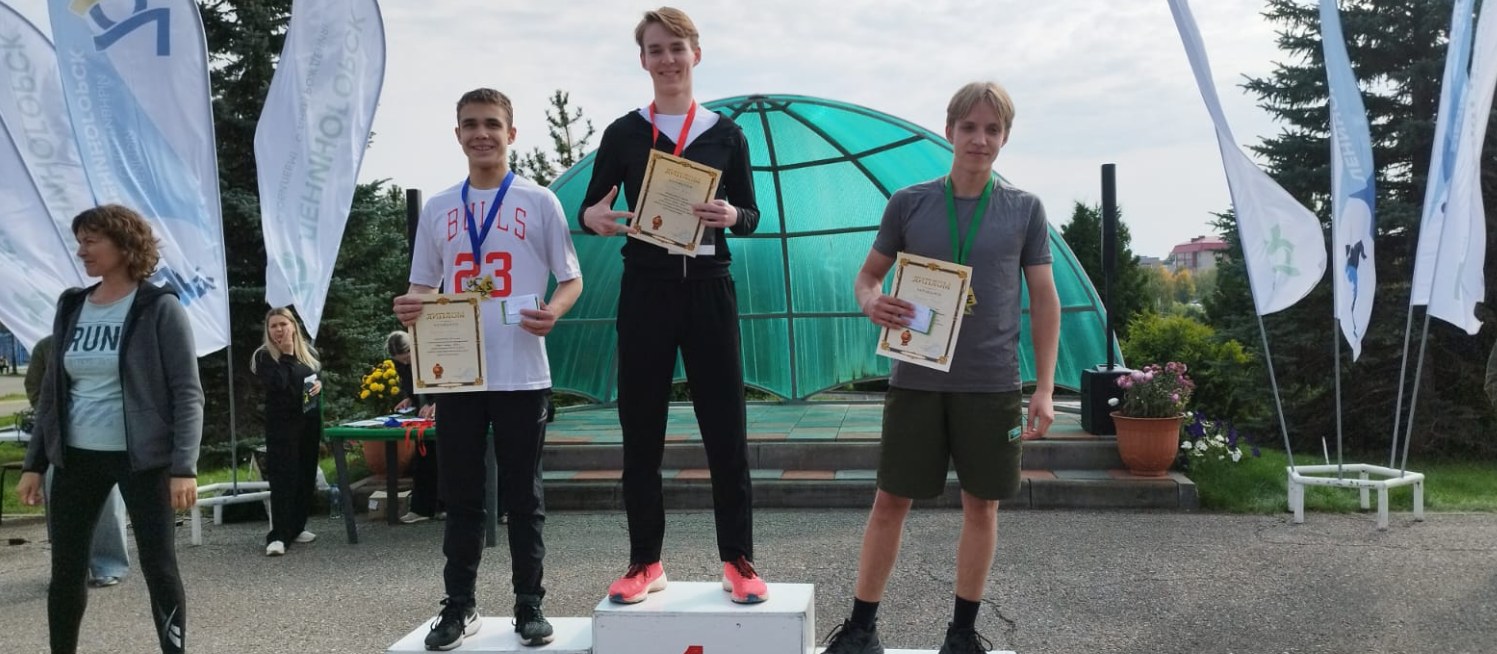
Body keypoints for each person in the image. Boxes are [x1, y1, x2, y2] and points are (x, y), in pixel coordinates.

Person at [820, 82, 1061, 654]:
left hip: (991, 385)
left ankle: (962, 636)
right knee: (889, 502)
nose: (980, 139)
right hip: (917, 380)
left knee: (982, 506)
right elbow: (867, 276)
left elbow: (1044, 299)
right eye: (969, 127)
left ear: (1005, 137)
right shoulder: (909, 203)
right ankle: (861, 630)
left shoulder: (1024, 209)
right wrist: (870, 302)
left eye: (992, 129)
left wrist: (1045, 388)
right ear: (949, 130)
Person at [578, 6, 767, 606]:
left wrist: (732, 214)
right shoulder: (623, 133)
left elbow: (752, 214)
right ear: (643, 60)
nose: (667, 59)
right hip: (646, 289)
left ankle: (738, 559)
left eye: (676, 48)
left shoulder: (726, 134)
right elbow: (591, 209)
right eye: (655, 49)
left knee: (725, 430)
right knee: (641, 429)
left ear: (696, 55)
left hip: (710, 287)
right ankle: (645, 561)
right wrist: (594, 218)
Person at [393, 87, 583, 650]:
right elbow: (422, 286)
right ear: (458, 135)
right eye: (471, 124)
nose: (482, 133)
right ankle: (460, 605)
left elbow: (570, 278)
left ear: (511, 133)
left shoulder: (539, 200)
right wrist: (410, 307)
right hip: (457, 375)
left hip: (521, 371)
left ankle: (529, 603)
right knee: (461, 495)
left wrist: (554, 312)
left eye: (492, 124)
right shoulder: (439, 208)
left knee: (524, 497)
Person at [15, 204, 203, 654]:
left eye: (90, 241)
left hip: (144, 461)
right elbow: (52, 394)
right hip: (76, 460)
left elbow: (187, 393)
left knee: (159, 567)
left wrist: (184, 467)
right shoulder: (72, 306)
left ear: (123, 244)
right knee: (66, 571)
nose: (81, 251)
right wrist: (35, 464)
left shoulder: (159, 307)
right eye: (79, 241)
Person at [25, 335, 132, 588]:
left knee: (108, 505)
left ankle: (108, 565)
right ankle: (70, 570)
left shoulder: (111, 341)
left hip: (105, 435)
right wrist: (53, 417)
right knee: (62, 508)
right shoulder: (47, 346)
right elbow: (34, 386)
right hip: (63, 439)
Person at [251, 308, 324, 556]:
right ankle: (278, 535)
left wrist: (319, 384)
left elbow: (312, 377)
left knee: (305, 476)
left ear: (293, 326)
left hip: (308, 423)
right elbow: (279, 384)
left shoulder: (309, 353)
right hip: (282, 427)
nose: (279, 330)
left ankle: (296, 526)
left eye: (283, 324)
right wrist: (287, 355)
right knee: (284, 479)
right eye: (273, 326)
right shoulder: (264, 357)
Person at [386, 330, 446, 524]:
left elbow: (444, 382)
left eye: (407, 358)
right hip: (422, 418)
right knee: (422, 459)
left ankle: (445, 506)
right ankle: (421, 508)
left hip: (441, 411)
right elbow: (410, 385)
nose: (405, 363)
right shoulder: (401, 364)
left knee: (444, 459)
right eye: (400, 361)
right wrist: (409, 399)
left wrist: (436, 402)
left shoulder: (432, 354)